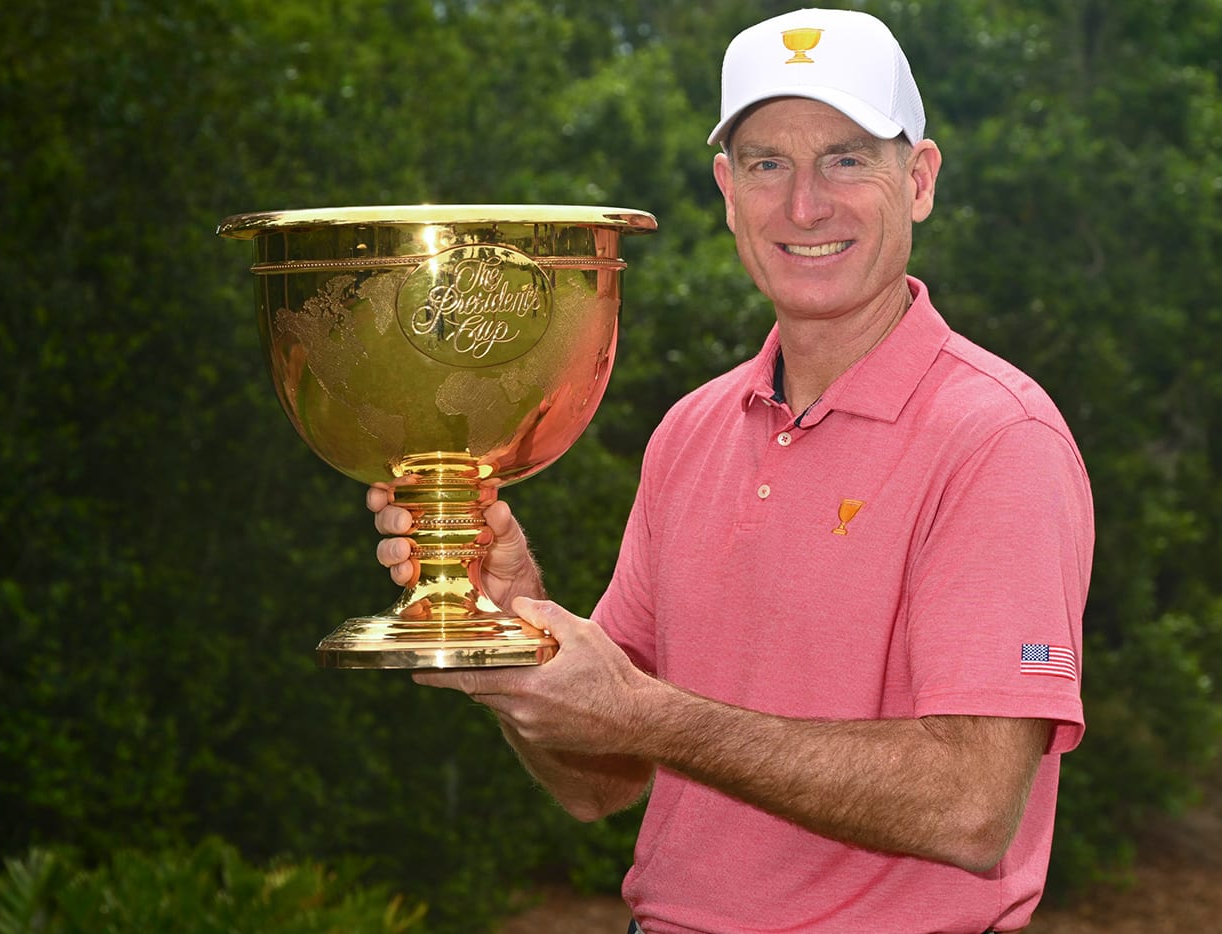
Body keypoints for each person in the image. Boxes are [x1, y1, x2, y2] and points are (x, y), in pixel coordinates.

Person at [369, 8, 1093, 932]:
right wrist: (515, 634)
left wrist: (644, 713)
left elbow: (971, 807)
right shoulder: (692, 431)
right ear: (725, 189)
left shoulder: (999, 439)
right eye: (766, 163)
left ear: (919, 179)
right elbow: (599, 783)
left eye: (846, 157)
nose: (804, 205)